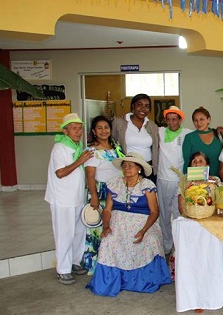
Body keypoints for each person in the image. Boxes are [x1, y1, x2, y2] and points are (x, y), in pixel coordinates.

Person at [87, 153, 171, 296]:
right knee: (109, 240)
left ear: (139, 168)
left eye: (131, 165)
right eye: (125, 165)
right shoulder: (115, 184)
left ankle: (143, 281)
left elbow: (154, 212)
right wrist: (106, 226)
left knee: (150, 241)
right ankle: (111, 281)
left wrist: (144, 230)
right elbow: (107, 210)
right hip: (118, 223)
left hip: (144, 223)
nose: (127, 168)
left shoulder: (147, 185)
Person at [45, 113, 94, 285]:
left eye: (80, 128)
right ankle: (63, 269)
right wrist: (80, 161)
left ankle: (75, 262)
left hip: (76, 197)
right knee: (64, 234)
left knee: (78, 233)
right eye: (74, 128)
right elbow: (60, 173)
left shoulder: (77, 146)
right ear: (65, 131)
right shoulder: (60, 148)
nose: (78, 131)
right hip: (62, 199)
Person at [84, 115, 125, 275]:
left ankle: (114, 262)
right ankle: (96, 266)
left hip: (117, 192)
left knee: (115, 227)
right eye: (99, 128)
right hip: (100, 192)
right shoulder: (92, 151)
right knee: (98, 229)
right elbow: (90, 176)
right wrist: (94, 195)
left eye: (106, 127)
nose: (103, 131)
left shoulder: (117, 147)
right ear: (94, 131)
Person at [156, 106, 191, 256]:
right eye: (168, 119)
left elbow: (204, 134)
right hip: (163, 178)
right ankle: (166, 245)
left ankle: (179, 246)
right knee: (164, 213)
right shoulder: (160, 132)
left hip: (179, 180)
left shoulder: (187, 133)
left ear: (180, 120)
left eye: (174, 119)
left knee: (178, 213)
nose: (171, 122)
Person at [112, 93, 159, 182]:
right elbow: (112, 141)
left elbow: (156, 147)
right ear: (133, 106)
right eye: (139, 105)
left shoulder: (152, 126)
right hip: (128, 168)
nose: (143, 109)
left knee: (147, 195)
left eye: (147, 106)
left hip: (147, 169)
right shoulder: (119, 123)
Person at [182, 107, 223, 175]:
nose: (198, 123)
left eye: (201, 119)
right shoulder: (189, 138)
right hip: (197, 181)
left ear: (208, 120)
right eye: (195, 120)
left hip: (218, 181)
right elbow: (187, 162)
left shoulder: (219, 135)